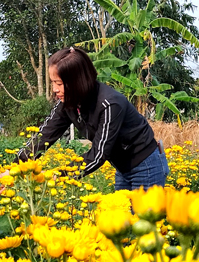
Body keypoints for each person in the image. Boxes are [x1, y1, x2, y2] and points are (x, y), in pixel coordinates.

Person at [17, 47, 169, 190]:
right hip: (122, 168)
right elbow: (45, 135)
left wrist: (57, 175)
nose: (55, 89)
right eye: (53, 82)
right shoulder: (68, 103)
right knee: (122, 217)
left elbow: (98, 155)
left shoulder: (110, 104)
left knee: (142, 217)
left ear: (78, 81)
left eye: (60, 83)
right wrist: (14, 169)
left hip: (146, 165)